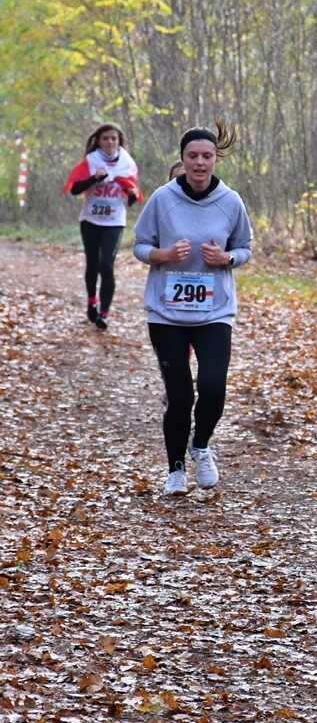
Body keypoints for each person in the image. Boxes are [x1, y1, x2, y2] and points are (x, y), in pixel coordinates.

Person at [133, 120, 252, 495]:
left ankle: (200, 445)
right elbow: (139, 245)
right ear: (182, 159)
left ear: (216, 159)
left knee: (214, 386)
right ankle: (175, 470)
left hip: (215, 311)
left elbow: (245, 248)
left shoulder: (231, 201)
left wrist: (227, 258)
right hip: (166, 313)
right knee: (180, 393)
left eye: (207, 156)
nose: (200, 163)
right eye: (192, 156)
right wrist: (163, 254)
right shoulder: (162, 198)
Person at [63, 122, 142, 331]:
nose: (109, 142)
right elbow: (74, 189)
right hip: (90, 220)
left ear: (119, 141)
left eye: (113, 138)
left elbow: (130, 193)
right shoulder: (91, 161)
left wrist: (132, 195)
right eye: (105, 138)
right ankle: (91, 299)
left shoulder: (127, 163)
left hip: (114, 222)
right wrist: (94, 178)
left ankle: (104, 313)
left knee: (106, 265)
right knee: (93, 263)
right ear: (98, 140)